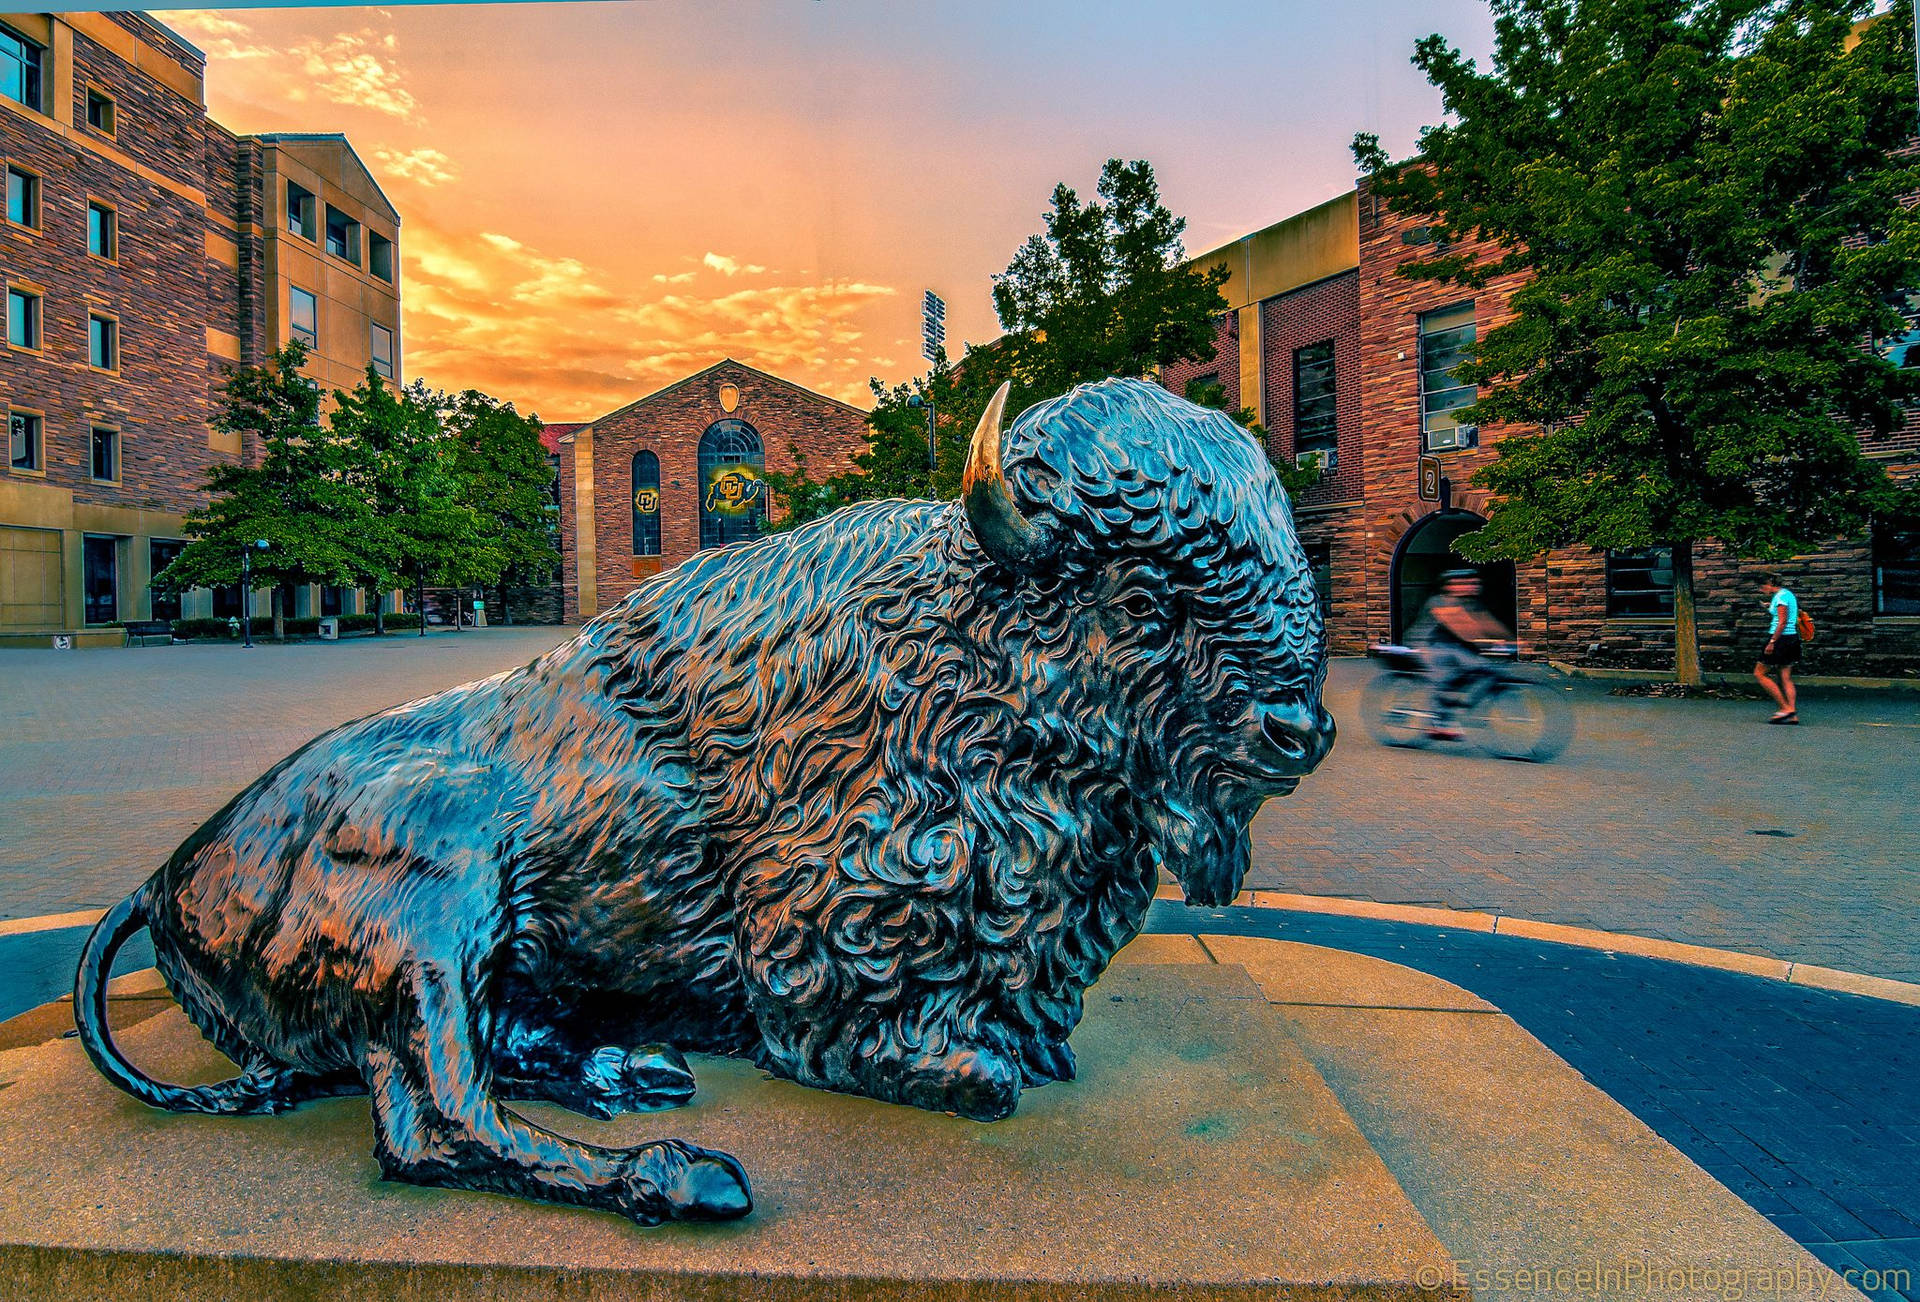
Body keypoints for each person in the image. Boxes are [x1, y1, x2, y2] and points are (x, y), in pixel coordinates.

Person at [1406, 568, 1513, 740]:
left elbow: (1487, 622)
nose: (1473, 586)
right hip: (1428, 645)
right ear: (1451, 586)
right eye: (1467, 583)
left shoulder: (1471, 604)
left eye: (1474, 582)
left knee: (1484, 668)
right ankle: (1437, 723)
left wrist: (1511, 639)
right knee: (1444, 675)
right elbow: (1461, 626)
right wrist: (1484, 641)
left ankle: (1457, 704)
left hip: (1452, 647)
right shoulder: (1440, 602)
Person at [1754, 574, 1800, 724]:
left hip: (1780, 639)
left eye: (1762, 587)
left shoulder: (1780, 597)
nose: (1761, 590)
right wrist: (1769, 607)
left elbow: (1782, 622)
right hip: (1791, 638)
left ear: (1768, 583)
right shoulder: (1786, 594)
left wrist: (1772, 642)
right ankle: (1792, 713)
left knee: (1759, 673)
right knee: (1785, 676)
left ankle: (1785, 708)